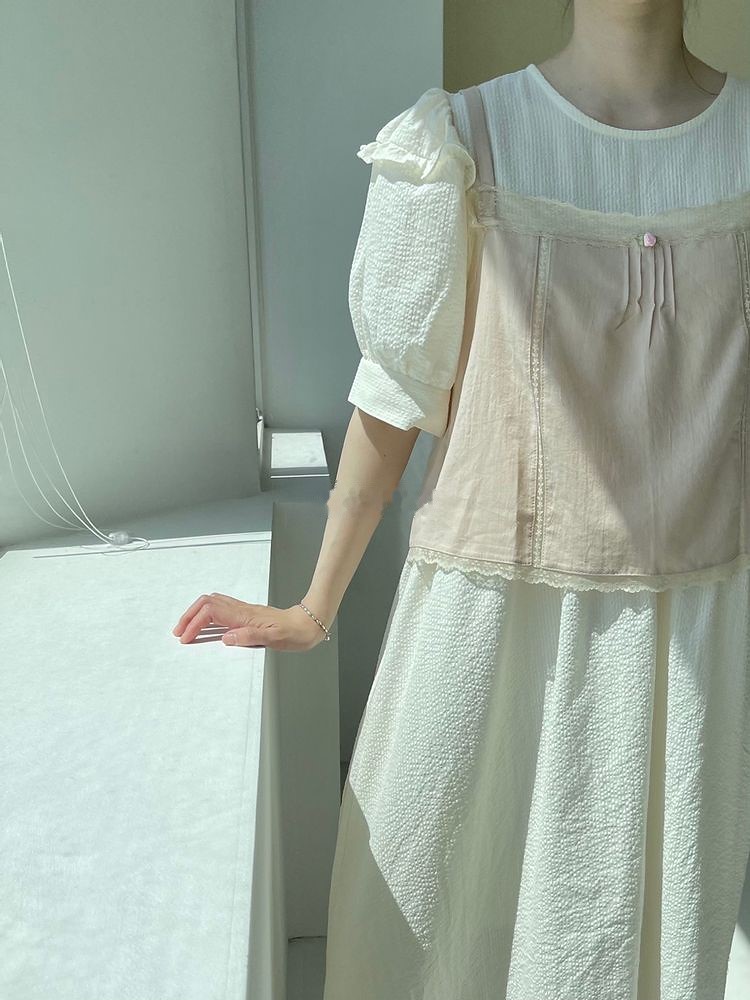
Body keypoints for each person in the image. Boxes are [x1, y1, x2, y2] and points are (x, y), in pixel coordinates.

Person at [173, 1, 750, 997]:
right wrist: (313, 607)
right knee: (436, 930)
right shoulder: (463, 143)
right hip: (491, 629)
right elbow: (395, 395)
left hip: (691, 644)